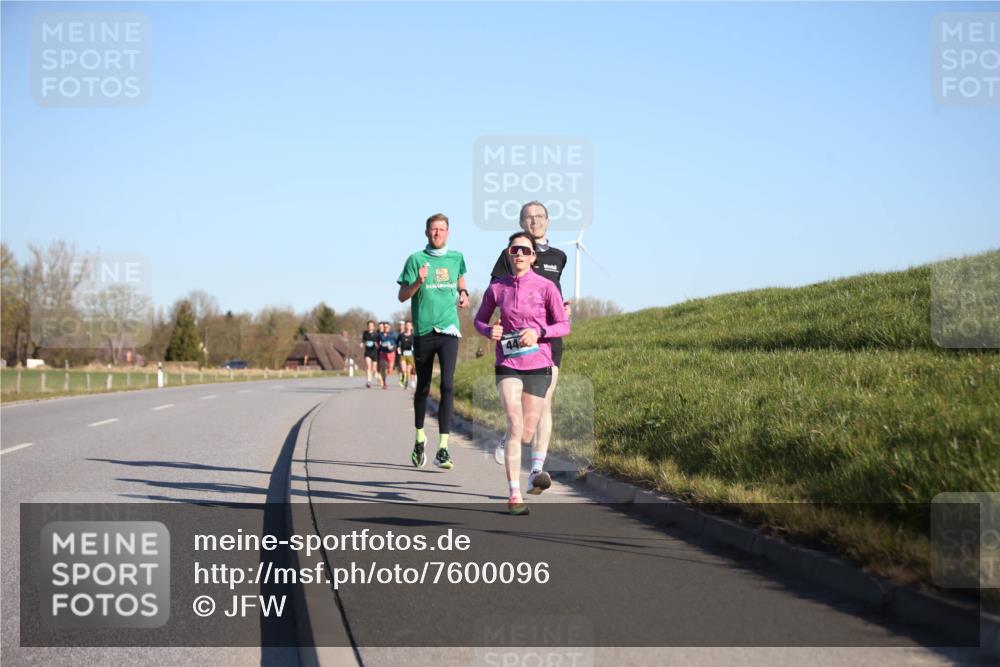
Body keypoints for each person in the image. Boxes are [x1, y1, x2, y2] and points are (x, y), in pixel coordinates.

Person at [476, 231, 570, 515]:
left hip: (539, 362)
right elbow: (479, 320)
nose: (519, 255)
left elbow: (563, 325)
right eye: (515, 250)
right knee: (516, 424)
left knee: (528, 429)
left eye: (525, 251)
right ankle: (514, 494)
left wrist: (539, 331)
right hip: (507, 362)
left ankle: (532, 471)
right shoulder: (497, 288)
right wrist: (487, 330)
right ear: (508, 253)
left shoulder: (546, 287)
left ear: (533, 257)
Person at [489, 201, 569, 468]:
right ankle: (510, 433)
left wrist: (562, 306)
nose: (534, 221)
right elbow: (496, 290)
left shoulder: (559, 256)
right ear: (521, 222)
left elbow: (551, 291)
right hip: (516, 342)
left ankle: (537, 468)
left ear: (547, 220)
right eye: (528, 217)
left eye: (539, 216)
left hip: (547, 338)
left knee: (545, 401)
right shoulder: (511, 253)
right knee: (520, 410)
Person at [397, 213, 470, 470]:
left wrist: (463, 293)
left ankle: (443, 448)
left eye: (442, 229)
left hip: (449, 329)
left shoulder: (457, 257)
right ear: (427, 233)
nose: (437, 233)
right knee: (424, 388)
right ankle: (419, 438)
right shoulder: (415, 260)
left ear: (448, 232)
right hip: (424, 331)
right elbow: (402, 296)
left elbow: (460, 277)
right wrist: (419, 280)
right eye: (433, 230)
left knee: (448, 385)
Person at [376, 321, 398, 390]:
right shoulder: (380, 335)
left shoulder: (393, 334)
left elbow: (397, 343)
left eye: (387, 327)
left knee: (390, 370)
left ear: (389, 327)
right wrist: (378, 345)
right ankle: (384, 383)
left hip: (391, 353)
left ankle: (390, 370)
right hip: (383, 353)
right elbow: (376, 342)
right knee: (383, 368)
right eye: (384, 327)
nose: (385, 328)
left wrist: (392, 347)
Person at [360, 321, 379, 388]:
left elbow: (378, 343)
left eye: (371, 325)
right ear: (367, 326)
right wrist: (362, 343)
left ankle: (377, 375)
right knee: (368, 367)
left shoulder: (376, 334)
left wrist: (377, 345)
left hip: (374, 352)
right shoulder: (365, 333)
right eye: (369, 325)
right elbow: (363, 340)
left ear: (373, 327)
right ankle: (369, 381)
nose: (370, 327)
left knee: (374, 369)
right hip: (367, 352)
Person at [398, 321, 415, 389]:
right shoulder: (401, 335)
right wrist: (398, 347)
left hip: (410, 355)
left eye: (409, 325)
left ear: (411, 327)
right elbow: (397, 343)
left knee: (408, 370)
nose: (408, 326)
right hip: (403, 354)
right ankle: (403, 379)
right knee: (403, 369)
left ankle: (406, 382)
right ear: (405, 326)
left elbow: (417, 345)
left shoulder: (413, 336)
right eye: (406, 325)